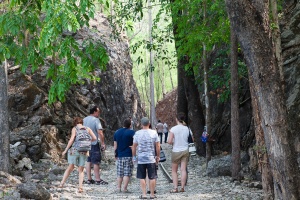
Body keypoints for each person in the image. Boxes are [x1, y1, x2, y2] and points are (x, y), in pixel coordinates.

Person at [58, 117, 96, 193]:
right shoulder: (87, 129)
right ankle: (80, 187)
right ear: (82, 122)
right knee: (81, 169)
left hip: (75, 150)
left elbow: (72, 139)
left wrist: (65, 150)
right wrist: (88, 142)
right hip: (84, 151)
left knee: (70, 167)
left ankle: (62, 183)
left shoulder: (75, 128)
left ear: (75, 123)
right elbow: (94, 138)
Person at [132, 117, 160, 199]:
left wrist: (134, 156)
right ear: (149, 124)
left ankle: (144, 194)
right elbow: (157, 145)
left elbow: (134, 146)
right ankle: (152, 194)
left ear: (141, 124)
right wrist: (158, 156)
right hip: (151, 158)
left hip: (141, 158)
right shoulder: (154, 133)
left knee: (142, 176)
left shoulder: (137, 133)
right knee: (152, 176)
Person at [167, 112, 193, 193]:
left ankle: (175, 188)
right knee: (183, 170)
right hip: (185, 150)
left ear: (176, 119)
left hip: (176, 151)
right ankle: (182, 187)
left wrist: (174, 141)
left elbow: (169, 141)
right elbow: (192, 139)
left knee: (174, 170)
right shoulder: (187, 129)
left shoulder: (173, 129)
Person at [83, 106, 108, 185]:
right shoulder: (96, 120)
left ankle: (89, 179)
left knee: (88, 161)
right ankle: (98, 179)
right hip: (94, 143)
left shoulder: (84, 120)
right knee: (96, 162)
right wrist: (103, 143)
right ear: (94, 112)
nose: (99, 113)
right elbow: (100, 132)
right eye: (98, 112)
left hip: (85, 143)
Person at [114, 118, 135, 192]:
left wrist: (115, 154)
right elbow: (134, 144)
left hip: (120, 155)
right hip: (128, 154)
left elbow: (115, 145)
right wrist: (134, 155)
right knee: (127, 173)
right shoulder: (132, 133)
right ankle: (125, 188)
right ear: (130, 125)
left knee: (120, 173)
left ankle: (118, 188)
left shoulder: (117, 132)